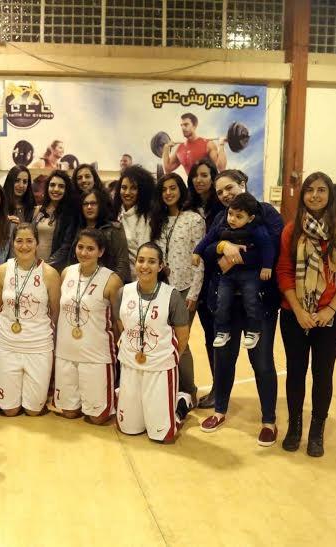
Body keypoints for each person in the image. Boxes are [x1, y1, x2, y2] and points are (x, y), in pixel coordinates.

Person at [197, 169, 283, 448]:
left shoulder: (267, 213)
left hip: (259, 303)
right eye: (219, 191)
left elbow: (273, 250)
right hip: (226, 304)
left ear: (243, 184)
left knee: (262, 362)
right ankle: (220, 410)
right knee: (223, 358)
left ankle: (268, 421)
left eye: (229, 188)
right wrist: (223, 245)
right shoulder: (222, 217)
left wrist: (235, 256)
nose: (225, 194)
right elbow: (208, 251)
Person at [277, 172, 336, 457]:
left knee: (323, 374)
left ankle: (316, 431)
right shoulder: (291, 231)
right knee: (295, 373)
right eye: (309, 190)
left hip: (330, 317)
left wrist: (330, 309)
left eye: (321, 190)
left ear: (330, 194)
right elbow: (284, 272)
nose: (315, 195)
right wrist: (299, 310)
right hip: (294, 315)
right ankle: (294, 427)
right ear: (302, 195)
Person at [115, 242, 190, 442]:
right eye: (141, 260)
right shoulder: (124, 292)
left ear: (160, 266)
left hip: (160, 368)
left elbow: (183, 336)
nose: (145, 266)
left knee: (162, 435)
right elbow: (122, 325)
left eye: (151, 261)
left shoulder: (172, 296)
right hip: (131, 365)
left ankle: (181, 403)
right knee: (128, 428)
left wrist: (167, 359)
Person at [149, 173, 205, 413]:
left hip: (185, 288)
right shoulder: (158, 220)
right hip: (162, 288)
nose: (168, 193)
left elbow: (200, 258)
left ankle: (189, 390)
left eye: (173, 188)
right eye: (164, 189)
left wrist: (194, 292)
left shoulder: (194, 219)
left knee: (181, 341)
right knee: (164, 338)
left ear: (181, 190)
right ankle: (170, 386)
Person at [55, 229, 123, 424]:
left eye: (90, 249)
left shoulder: (112, 280)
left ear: (101, 252)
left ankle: (122, 394)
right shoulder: (67, 273)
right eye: (80, 247)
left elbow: (119, 321)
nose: (84, 252)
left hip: (96, 355)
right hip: (66, 352)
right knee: (69, 413)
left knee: (98, 418)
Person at [0, 223, 61, 417]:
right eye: (19, 241)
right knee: (9, 410)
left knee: (33, 410)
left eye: (29, 241)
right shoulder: (1, 272)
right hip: (8, 345)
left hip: (38, 346)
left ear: (37, 243)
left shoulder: (50, 274)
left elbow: (55, 312)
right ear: (12, 243)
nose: (24, 246)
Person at [194, 193, 275, 349]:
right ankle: (222, 330)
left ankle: (254, 329)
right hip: (228, 275)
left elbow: (267, 247)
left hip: (249, 274)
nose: (232, 219)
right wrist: (197, 252)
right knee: (222, 301)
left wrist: (267, 266)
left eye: (239, 216)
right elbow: (208, 239)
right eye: (230, 214)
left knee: (251, 300)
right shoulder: (222, 225)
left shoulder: (257, 229)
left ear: (250, 218)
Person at [186, 158, 223, 408]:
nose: (199, 180)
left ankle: (220, 390)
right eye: (195, 176)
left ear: (213, 177)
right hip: (191, 283)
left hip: (215, 282)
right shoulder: (188, 206)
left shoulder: (221, 209)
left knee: (214, 338)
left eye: (204, 175)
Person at [70, 188, 131, 283]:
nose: (89, 207)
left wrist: (111, 285)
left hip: (107, 283)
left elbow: (122, 264)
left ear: (100, 205)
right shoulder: (77, 229)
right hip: (80, 283)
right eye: (85, 204)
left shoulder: (114, 229)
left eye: (93, 203)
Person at [32, 170, 79, 271]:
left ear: (66, 190)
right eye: (52, 185)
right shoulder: (39, 210)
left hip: (54, 268)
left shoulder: (70, 215)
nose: (56, 189)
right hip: (34, 265)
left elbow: (66, 248)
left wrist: (45, 266)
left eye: (61, 186)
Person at [114, 165, 155, 280]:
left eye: (133, 188)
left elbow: (144, 257)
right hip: (115, 277)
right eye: (124, 187)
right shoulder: (115, 212)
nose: (127, 192)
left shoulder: (145, 218)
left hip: (136, 279)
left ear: (142, 191)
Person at [162, 113, 227, 176]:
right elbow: (167, 169)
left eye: (186, 124)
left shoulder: (208, 144)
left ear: (194, 125)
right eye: (181, 125)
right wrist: (166, 149)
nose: (183, 128)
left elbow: (221, 168)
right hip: (191, 183)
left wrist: (221, 145)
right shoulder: (180, 149)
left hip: (209, 183)